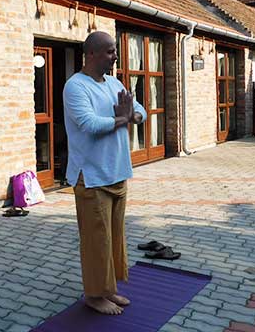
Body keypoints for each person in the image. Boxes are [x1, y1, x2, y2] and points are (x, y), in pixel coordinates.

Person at [63, 31, 146, 315]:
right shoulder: (75, 87)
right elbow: (89, 124)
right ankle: (94, 295)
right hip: (92, 176)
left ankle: (109, 289)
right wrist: (123, 118)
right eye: (110, 51)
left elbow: (141, 113)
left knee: (114, 237)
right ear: (91, 54)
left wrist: (130, 115)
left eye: (115, 51)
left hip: (118, 170)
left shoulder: (114, 83)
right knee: (96, 239)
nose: (115, 56)